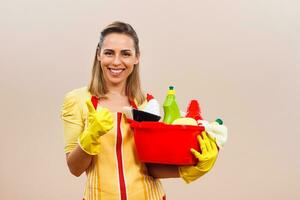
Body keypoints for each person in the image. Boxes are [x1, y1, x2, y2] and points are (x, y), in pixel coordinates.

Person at [61, 21, 218, 200]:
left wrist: (189, 169)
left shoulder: (146, 104)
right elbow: (75, 168)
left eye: (126, 54)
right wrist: (89, 137)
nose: (116, 61)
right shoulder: (77, 100)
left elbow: (149, 167)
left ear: (137, 58)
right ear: (99, 55)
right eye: (109, 53)